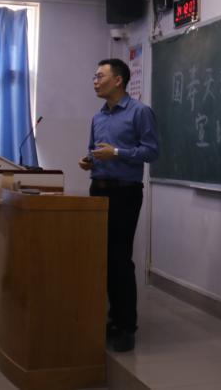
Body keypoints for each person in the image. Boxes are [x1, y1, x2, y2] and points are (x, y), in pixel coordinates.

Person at [80, 58, 158, 353]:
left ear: (118, 80)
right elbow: (95, 151)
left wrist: (117, 152)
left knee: (120, 259)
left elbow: (152, 151)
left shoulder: (140, 112)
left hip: (125, 193)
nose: (95, 81)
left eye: (100, 76)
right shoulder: (98, 117)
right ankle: (113, 318)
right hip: (98, 189)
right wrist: (88, 160)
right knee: (102, 258)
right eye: (94, 76)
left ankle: (127, 327)